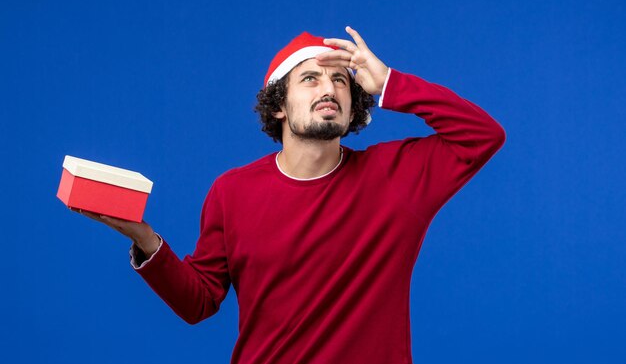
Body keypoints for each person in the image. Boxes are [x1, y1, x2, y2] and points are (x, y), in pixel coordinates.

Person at [76, 27, 505, 364]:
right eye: (310, 78)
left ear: (354, 106)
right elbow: (199, 301)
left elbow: (482, 136)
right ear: (278, 105)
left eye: (340, 80)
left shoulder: (396, 176)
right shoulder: (232, 192)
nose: (329, 88)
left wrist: (389, 82)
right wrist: (145, 239)